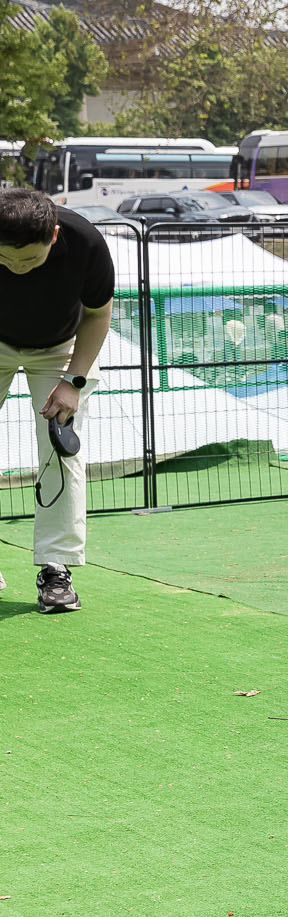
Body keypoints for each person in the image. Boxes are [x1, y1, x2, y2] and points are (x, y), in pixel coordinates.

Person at [0, 188, 113, 613]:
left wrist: (74, 381)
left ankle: (56, 568)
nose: (17, 268)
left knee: (61, 452)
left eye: (27, 260)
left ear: (53, 237)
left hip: (60, 348)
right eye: (6, 260)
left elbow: (99, 314)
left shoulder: (85, 243)